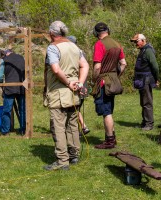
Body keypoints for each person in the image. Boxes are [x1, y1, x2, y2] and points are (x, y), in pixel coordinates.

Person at [43, 21, 89, 170]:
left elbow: (56, 69)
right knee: (73, 124)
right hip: (74, 93)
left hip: (59, 92)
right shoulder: (74, 46)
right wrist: (79, 83)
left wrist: (68, 82)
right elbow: (85, 65)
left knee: (58, 127)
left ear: (52, 34)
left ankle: (62, 160)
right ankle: (74, 155)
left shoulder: (53, 47)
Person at [92, 22, 127, 149]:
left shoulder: (99, 44)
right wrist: (117, 75)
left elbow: (97, 66)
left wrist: (94, 79)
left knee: (106, 111)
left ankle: (110, 141)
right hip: (113, 80)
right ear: (108, 30)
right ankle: (112, 137)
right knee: (109, 110)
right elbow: (123, 63)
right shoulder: (117, 44)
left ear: (96, 33)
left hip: (103, 82)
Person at [130, 34, 159, 131]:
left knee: (147, 102)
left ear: (143, 40)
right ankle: (144, 122)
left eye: (136, 41)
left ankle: (149, 124)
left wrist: (156, 78)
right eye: (134, 42)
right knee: (143, 102)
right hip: (141, 80)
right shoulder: (143, 50)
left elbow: (155, 66)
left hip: (146, 80)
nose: (135, 44)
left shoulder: (148, 50)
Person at [0, 49, 26, 135]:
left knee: (7, 110)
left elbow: (0, 77)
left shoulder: (4, 60)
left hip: (10, 88)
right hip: (22, 87)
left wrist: (2, 85)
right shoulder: (22, 58)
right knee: (23, 110)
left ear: (6, 54)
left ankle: (5, 131)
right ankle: (23, 129)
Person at [67, 35, 90, 136]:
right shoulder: (81, 52)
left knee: (75, 108)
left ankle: (83, 127)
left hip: (78, 83)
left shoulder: (74, 53)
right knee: (77, 107)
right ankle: (82, 127)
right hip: (82, 83)